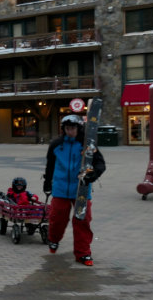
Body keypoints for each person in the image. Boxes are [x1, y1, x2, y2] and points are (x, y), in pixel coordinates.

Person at [43, 112, 106, 266]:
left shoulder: (87, 145)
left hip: (81, 190)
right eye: (67, 128)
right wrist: (47, 183)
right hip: (60, 189)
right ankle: (54, 239)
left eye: (73, 128)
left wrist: (91, 175)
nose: (70, 131)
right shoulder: (56, 145)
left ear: (79, 128)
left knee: (82, 221)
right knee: (57, 219)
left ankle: (83, 253)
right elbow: (50, 166)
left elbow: (100, 164)